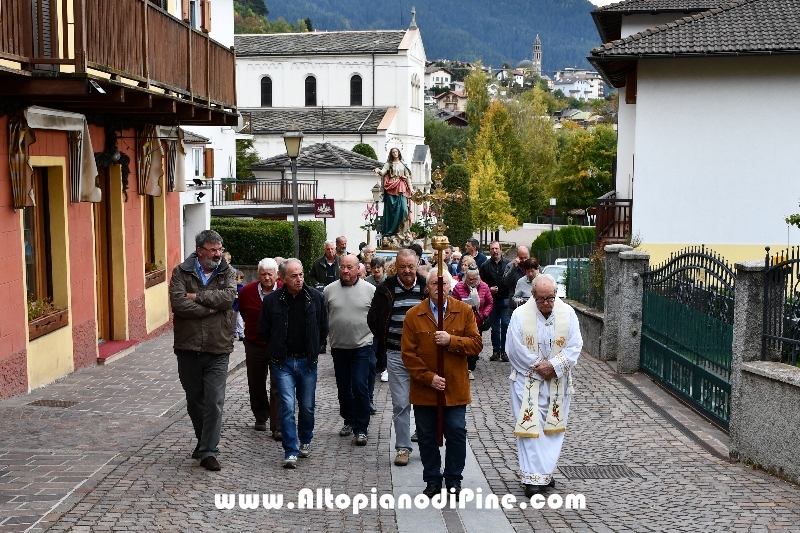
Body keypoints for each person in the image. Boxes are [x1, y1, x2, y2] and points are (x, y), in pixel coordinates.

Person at [401, 269, 482, 498]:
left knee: (456, 431)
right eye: (435, 284)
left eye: (444, 283)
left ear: (450, 286)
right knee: (426, 434)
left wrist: (451, 340)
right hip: (425, 389)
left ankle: (454, 478)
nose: (440, 288)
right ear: (428, 287)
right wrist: (429, 378)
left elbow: (476, 344)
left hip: (454, 387)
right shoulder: (414, 315)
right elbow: (408, 354)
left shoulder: (464, 311)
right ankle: (432, 479)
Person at [507, 274, 582, 498]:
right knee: (531, 428)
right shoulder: (520, 315)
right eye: (541, 299)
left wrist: (554, 366)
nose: (547, 303)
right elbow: (514, 348)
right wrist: (539, 367)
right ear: (533, 296)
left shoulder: (567, 313)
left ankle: (544, 473)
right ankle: (531, 478)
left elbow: (575, 345)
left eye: (550, 298)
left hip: (557, 381)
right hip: (527, 380)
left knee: (552, 429)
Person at [169, 230, 237, 472]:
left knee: (215, 401)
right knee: (194, 399)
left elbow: (228, 298)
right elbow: (178, 303)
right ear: (200, 251)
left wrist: (196, 296)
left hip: (218, 347)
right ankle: (203, 441)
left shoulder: (226, 271)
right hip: (188, 347)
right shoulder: (181, 272)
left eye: (220, 249)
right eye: (213, 250)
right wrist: (208, 309)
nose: (218, 254)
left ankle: (208, 451)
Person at [258, 259, 328, 469]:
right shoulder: (272, 301)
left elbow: (323, 328)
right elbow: (263, 330)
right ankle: (290, 450)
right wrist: (276, 347)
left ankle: (305, 439)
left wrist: (315, 347)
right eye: (294, 276)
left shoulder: (314, 298)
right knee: (287, 406)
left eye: (301, 274)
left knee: (306, 406)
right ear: (283, 278)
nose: (299, 279)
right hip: (283, 362)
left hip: (307, 361)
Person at [368, 249, 427, 466]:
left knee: (423, 401)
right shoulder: (385, 288)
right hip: (396, 353)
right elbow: (373, 318)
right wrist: (386, 338)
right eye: (402, 266)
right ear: (396, 267)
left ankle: (425, 440)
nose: (407, 271)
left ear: (417, 264)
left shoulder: (425, 287)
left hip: (423, 355)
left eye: (411, 266)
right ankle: (403, 447)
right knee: (401, 402)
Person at [325, 255, 376, 445]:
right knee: (344, 388)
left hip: (362, 346)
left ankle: (361, 428)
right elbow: (324, 316)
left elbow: (377, 316)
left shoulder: (370, 290)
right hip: (339, 346)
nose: (345, 271)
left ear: (357, 269)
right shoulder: (330, 290)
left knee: (360, 386)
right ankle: (348, 419)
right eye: (343, 267)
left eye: (349, 267)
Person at [238, 258, 282, 441]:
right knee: (255, 382)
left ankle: (277, 426)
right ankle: (261, 416)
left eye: (270, 274)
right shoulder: (247, 291)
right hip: (254, 344)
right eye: (263, 274)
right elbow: (242, 311)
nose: (266, 277)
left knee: (277, 385)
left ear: (277, 274)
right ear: (258, 274)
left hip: (278, 345)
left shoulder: (283, 289)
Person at [451, 264, 493, 380]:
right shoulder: (459, 287)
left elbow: (490, 302)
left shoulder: (484, 287)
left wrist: (485, 313)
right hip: (462, 321)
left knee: (475, 345)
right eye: (469, 279)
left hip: (478, 321)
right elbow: (453, 302)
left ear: (478, 278)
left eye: (474, 279)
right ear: (465, 277)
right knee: (463, 343)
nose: (471, 281)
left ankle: (471, 366)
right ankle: (466, 367)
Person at [480, 241, 511, 362]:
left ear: (501, 250)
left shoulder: (508, 264)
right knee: (495, 327)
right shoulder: (485, 265)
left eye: (496, 248)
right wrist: (489, 289)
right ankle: (496, 350)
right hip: (492, 301)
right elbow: (481, 283)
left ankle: (504, 351)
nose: (495, 251)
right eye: (492, 249)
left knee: (505, 324)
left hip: (505, 299)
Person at [375, 148, 413, 237]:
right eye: (393, 152)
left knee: (404, 209)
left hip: (401, 187)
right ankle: (392, 232)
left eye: (396, 152)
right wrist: (378, 171)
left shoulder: (403, 164)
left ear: (399, 153)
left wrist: (411, 189)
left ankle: (404, 232)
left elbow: (408, 177)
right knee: (391, 211)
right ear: (391, 154)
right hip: (391, 187)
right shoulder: (388, 164)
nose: (395, 153)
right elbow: (383, 172)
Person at [504, 246, 531, 315]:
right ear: (517, 257)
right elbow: (506, 283)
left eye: (526, 258)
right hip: (515, 306)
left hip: (531, 305)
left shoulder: (534, 267)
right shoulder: (510, 266)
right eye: (521, 258)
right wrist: (513, 268)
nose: (524, 260)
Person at [232, 270, 246, 341]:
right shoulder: (232, 287)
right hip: (233, 307)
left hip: (239, 307)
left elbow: (241, 300)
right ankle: (234, 332)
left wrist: (235, 308)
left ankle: (241, 333)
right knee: (233, 320)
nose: (236, 280)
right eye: (235, 278)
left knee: (239, 319)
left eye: (238, 279)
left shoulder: (242, 288)